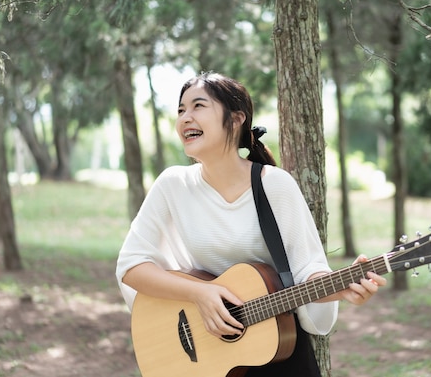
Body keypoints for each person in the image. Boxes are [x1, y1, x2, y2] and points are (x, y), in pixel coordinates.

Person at [116, 72, 387, 376]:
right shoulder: (172, 185)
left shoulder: (274, 185)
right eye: (181, 110)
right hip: (211, 354)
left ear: (235, 120)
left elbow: (307, 269)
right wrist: (200, 294)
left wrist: (341, 288)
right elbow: (132, 267)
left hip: (278, 355)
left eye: (198, 106)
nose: (185, 118)